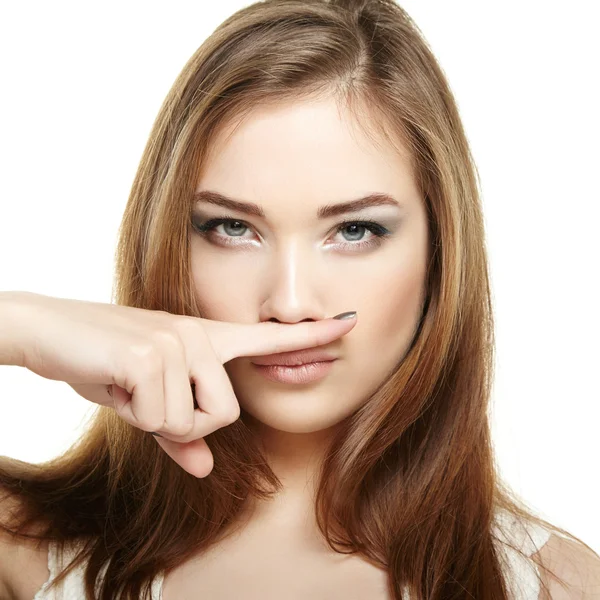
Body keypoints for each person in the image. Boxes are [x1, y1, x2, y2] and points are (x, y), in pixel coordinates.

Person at [1, 0, 599, 598]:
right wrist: (22, 325)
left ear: (440, 250)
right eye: (233, 228)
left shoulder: (556, 584)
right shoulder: (24, 546)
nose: (289, 303)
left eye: (355, 230)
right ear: (169, 241)